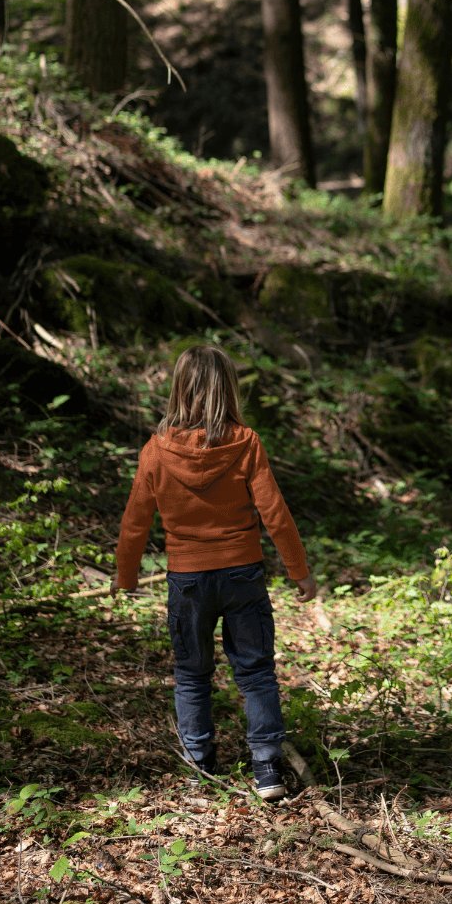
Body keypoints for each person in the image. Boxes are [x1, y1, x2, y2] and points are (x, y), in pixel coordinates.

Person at [114, 343, 316, 802]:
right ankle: (267, 769)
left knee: (192, 674)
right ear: (228, 388)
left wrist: (126, 576)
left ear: (179, 389)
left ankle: (199, 767)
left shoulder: (157, 450)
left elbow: (135, 520)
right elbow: (275, 512)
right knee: (256, 672)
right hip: (242, 572)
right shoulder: (245, 443)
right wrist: (298, 570)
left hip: (188, 579)